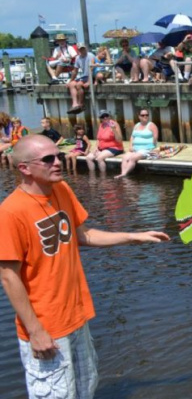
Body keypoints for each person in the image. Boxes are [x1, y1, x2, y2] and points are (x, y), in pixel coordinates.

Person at [0, 135, 169, 399]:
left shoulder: (61, 190)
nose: (58, 162)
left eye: (58, 155)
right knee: (54, 394)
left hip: (76, 316)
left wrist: (133, 236)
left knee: (85, 388)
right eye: (48, 159)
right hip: (46, 325)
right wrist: (35, 331)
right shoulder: (10, 213)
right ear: (24, 168)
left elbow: (84, 235)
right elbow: (9, 277)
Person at [115, 109, 158, 179]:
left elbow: (155, 138)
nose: (145, 116)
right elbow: (132, 137)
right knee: (125, 157)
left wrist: (152, 148)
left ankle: (125, 174)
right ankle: (122, 173)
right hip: (135, 149)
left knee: (133, 158)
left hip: (146, 149)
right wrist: (131, 146)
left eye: (147, 115)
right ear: (139, 116)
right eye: (143, 115)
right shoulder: (137, 125)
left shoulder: (152, 125)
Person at [67, 42, 92, 114]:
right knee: (72, 84)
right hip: (84, 76)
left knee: (78, 85)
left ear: (86, 48)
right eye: (80, 49)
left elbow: (92, 68)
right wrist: (70, 81)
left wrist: (89, 81)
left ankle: (81, 104)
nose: (82, 50)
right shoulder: (78, 58)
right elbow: (75, 71)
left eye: (83, 49)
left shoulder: (90, 56)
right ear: (78, 50)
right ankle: (75, 104)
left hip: (90, 75)